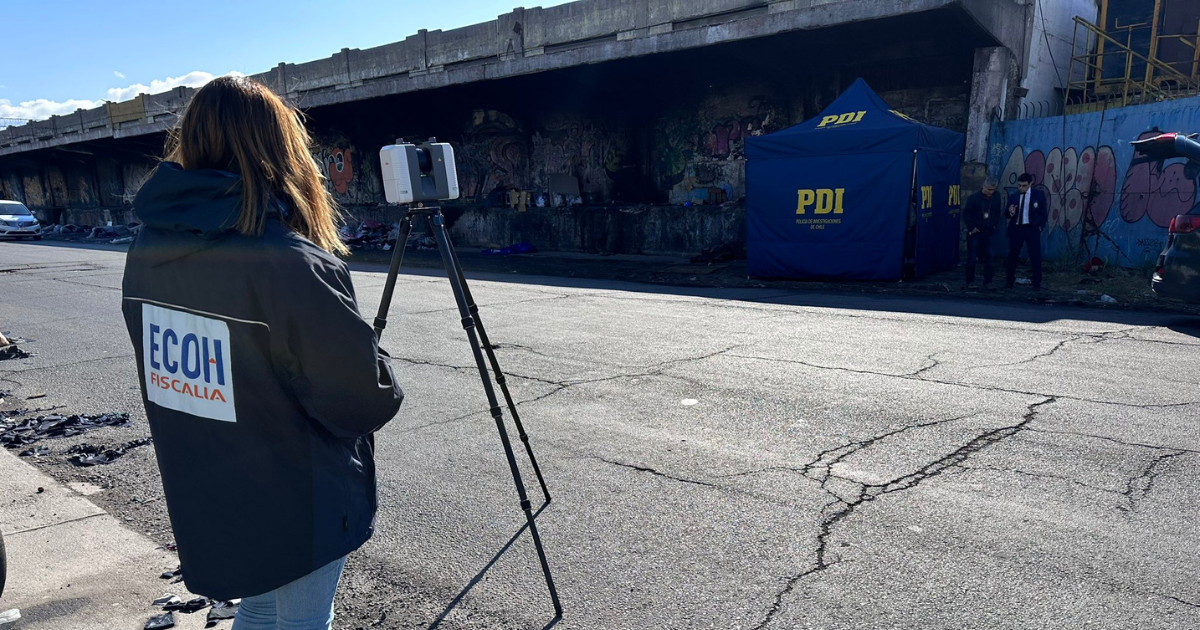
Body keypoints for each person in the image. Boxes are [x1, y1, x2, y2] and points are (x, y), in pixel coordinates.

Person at [120, 76, 404, 630]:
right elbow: (365, 402)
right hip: (298, 500)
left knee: (260, 607)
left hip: (212, 487)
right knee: (299, 620)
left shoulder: (147, 250)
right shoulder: (290, 262)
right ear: (280, 149)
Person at [1005, 172, 1048, 291]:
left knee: (1035, 256)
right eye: (1019, 185)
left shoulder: (1038, 195)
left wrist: (1039, 226)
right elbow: (1007, 214)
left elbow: (1043, 213)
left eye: (1024, 185)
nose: (1021, 188)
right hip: (1017, 228)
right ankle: (1009, 281)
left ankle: (1036, 283)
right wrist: (1010, 212)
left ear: (1030, 184)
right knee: (1013, 255)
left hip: (1031, 229)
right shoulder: (1014, 196)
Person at [962, 177, 1003, 289]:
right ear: (983, 186)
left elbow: (997, 212)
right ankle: (970, 281)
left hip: (989, 231)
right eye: (989, 189)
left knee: (990, 257)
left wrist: (994, 225)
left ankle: (988, 282)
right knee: (972, 257)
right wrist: (972, 228)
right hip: (976, 231)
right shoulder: (973, 198)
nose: (991, 192)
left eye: (993, 190)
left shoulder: (997, 197)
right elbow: (966, 214)